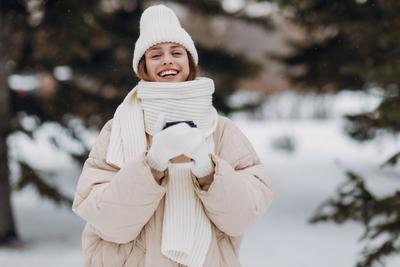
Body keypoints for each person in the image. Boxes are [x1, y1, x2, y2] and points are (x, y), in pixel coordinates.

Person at [72, 4, 273, 267]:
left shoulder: (222, 131)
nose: (167, 60)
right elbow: (108, 223)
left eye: (176, 52)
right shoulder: (117, 130)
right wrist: (152, 165)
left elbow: (242, 216)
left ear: (190, 63)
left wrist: (208, 169)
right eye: (155, 55)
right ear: (142, 67)